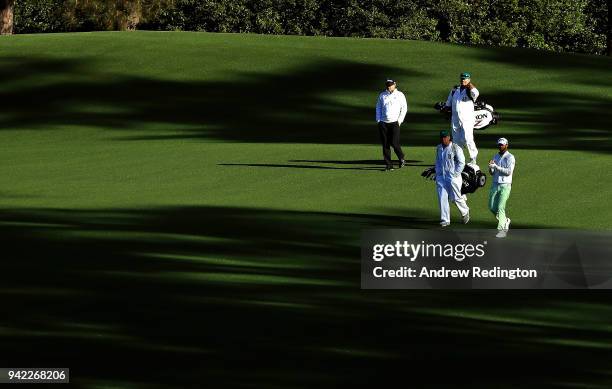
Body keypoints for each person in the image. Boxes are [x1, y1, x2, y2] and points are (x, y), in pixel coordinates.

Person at [435, 130, 470, 227]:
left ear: (449, 137)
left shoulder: (455, 148)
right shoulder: (439, 148)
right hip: (442, 177)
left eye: (445, 137)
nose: (443, 139)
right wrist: (438, 174)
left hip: (453, 177)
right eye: (442, 137)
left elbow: (461, 162)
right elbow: (438, 162)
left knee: (455, 197)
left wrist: (455, 174)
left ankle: (465, 211)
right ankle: (445, 220)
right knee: (442, 198)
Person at [444, 72, 479, 164]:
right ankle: (459, 158)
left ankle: (473, 158)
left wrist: (470, 85)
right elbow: (448, 102)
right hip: (455, 119)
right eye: (462, 79)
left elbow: (476, 93)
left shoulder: (469, 90)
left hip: (467, 119)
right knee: (456, 140)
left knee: (468, 138)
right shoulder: (455, 90)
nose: (463, 80)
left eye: (465, 79)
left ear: (469, 80)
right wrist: (445, 109)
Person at [375, 79, 408, 171]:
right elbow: (378, 107)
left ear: (395, 85)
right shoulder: (382, 95)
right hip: (383, 123)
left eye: (390, 85)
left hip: (395, 123)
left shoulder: (400, 95)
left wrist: (399, 121)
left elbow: (404, 108)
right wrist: (378, 120)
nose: (389, 87)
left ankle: (401, 157)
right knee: (385, 144)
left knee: (394, 143)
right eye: (388, 85)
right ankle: (389, 165)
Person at [488, 137, 515, 238]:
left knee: (500, 207)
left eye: (502, 144)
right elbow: (492, 173)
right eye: (499, 144)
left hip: (505, 185)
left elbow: (509, 172)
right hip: (495, 184)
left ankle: (502, 230)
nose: (500, 146)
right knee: (492, 207)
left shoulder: (510, 157)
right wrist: (491, 168)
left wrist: (496, 167)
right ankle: (506, 220)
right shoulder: (495, 156)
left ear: (506, 145)